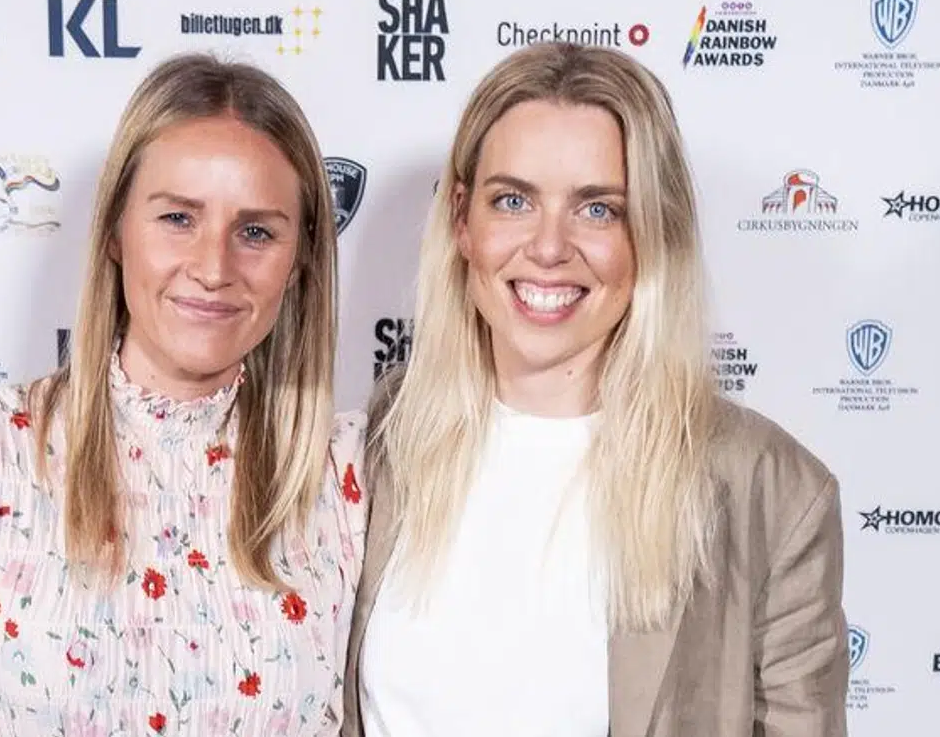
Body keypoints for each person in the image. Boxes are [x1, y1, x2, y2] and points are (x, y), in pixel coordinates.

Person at [0, 53, 368, 737]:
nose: (213, 268)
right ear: (116, 231)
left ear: (299, 261)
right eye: (178, 218)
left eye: (256, 232)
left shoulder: (344, 475)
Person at [342, 43, 848, 737]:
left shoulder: (770, 489)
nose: (549, 247)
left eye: (599, 210)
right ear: (461, 219)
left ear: (654, 231)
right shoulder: (378, 441)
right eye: (513, 201)